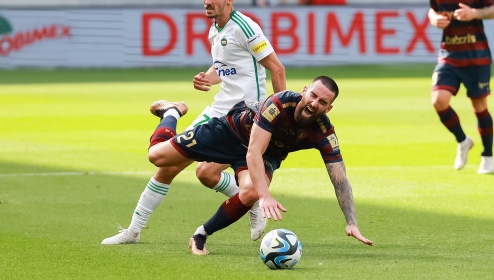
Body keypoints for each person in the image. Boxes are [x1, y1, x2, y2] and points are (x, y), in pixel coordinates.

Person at [101, 0, 287, 245]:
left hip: (244, 118)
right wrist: (209, 77)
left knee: (200, 170)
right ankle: (134, 230)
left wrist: (277, 117)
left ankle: (172, 112)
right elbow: (225, 67)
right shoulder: (215, 29)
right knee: (183, 169)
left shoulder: (246, 28)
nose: (207, 1)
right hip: (217, 112)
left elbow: (276, 67)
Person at [145, 76, 373, 255]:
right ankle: (171, 111)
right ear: (305, 90)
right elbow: (253, 149)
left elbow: (340, 179)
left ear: (328, 108)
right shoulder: (279, 104)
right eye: (313, 95)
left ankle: (200, 235)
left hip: (266, 154)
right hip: (229, 133)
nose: (314, 104)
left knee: (251, 189)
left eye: (323, 102)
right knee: (158, 157)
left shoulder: (323, 132)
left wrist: (351, 222)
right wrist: (265, 196)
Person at [428, 0, 494, 175]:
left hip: (476, 54)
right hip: (449, 53)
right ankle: (463, 141)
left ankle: (488, 156)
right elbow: (432, 10)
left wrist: (475, 13)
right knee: (438, 100)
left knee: (479, 106)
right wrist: (434, 19)